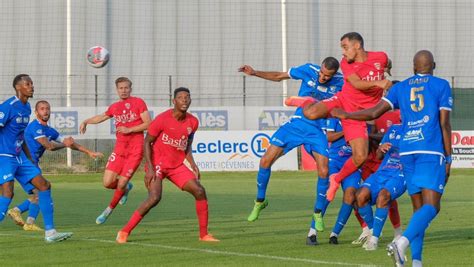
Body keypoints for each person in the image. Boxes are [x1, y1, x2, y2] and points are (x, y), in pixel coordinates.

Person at [332, 50, 452, 267]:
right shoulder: (441, 85)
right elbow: (444, 123)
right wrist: (449, 157)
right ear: (433, 65)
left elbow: (373, 112)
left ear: (413, 67)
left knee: (418, 211)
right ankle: (402, 242)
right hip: (430, 150)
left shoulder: (400, 87)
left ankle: (415, 262)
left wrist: (348, 115)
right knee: (432, 207)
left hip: (406, 152)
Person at [238, 57, 343, 245]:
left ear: (334, 74)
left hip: (317, 130)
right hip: (296, 125)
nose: (323, 78)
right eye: (322, 73)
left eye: (328, 76)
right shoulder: (308, 69)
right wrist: (254, 72)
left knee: (324, 171)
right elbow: (279, 76)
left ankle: (318, 214)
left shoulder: (341, 83)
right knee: (265, 161)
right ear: (320, 68)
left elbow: (358, 96)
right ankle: (260, 201)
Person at [287, 32, 392, 202]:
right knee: (310, 113)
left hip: (357, 115)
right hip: (343, 101)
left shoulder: (380, 57)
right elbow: (357, 83)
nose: (342, 52)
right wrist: (378, 82)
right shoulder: (345, 63)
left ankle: (335, 179)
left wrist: (387, 71)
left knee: (360, 157)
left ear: (357, 46)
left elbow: (387, 63)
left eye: (345, 47)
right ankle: (309, 100)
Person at [116, 87, 219, 243]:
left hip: (176, 165)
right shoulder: (162, 119)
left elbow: (187, 144)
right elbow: (147, 142)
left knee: (199, 190)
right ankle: (124, 231)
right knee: (155, 197)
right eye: (180, 97)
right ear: (174, 101)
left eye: (187, 97)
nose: (184, 100)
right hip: (157, 164)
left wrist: (192, 163)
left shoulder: (193, 121)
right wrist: (150, 168)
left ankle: (204, 235)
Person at [7, 100, 103, 231]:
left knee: (39, 193)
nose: (45, 111)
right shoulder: (35, 127)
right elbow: (50, 146)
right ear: (36, 112)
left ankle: (26, 220)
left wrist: (89, 152)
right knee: (42, 191)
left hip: (32, 164)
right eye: (42, 109)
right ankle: (21, 214)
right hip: (25, 164)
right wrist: (66, 144)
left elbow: (68, 142)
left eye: (47, 108)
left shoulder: (49, 130)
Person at [0, 74, 72, 242]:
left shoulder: (26, 107)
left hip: (20, 157)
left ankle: (50, 233)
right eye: (28, 84)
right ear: (19, 87)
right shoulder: (8, 106)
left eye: (32, 83)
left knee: (44, 186)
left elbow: (20, 135)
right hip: (4, 156)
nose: (32, 86)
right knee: (8, 194)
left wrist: (29, 158)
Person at [80, 77, 151, 224]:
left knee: (121, 182)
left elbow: (149, 124)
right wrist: (86, 121)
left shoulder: (138, 102)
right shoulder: (115, 107)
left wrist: (129, 129)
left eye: (126, 88)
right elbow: (101, 117)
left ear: (130, 89)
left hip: (135, 150)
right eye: (121, 88)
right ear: (117, 90)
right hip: (119, 150)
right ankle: (126, 188)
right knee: (107, 183)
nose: (123, 90)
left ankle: (107, 211)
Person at [355, 124, 406, 251]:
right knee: (360, 195)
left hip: (401, 173)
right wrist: (381, 148)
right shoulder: (394, 129)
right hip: (382, 172)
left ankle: (374, 240)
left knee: (383, 197)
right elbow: (378, 156)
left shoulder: (418, 130)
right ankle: (374, 229)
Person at [324, 118, 362, 245]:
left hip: (352, 163)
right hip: (335, 162)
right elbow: (329, 137)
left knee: (351, 195)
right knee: (329, 192)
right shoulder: (334, 118)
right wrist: (346, 132)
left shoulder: (360, 119)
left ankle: (334, 234)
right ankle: (312, 230)